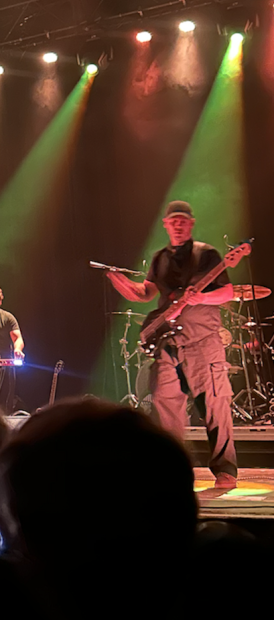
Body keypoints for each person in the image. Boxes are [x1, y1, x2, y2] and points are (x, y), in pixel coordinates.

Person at [106, 199, 237, 491]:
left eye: (183, 220)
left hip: (203, 340)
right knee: (165, 405)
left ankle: (225, 471)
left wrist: (200, 298)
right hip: (168, 342)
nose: (177, 225)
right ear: (165, 225)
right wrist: (118, 281)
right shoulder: (159, 258)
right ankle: (174, 470)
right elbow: (145, 293)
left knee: (215, 405)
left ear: (190, 224)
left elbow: (227, 292)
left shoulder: (207, 255)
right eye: (172, 220)